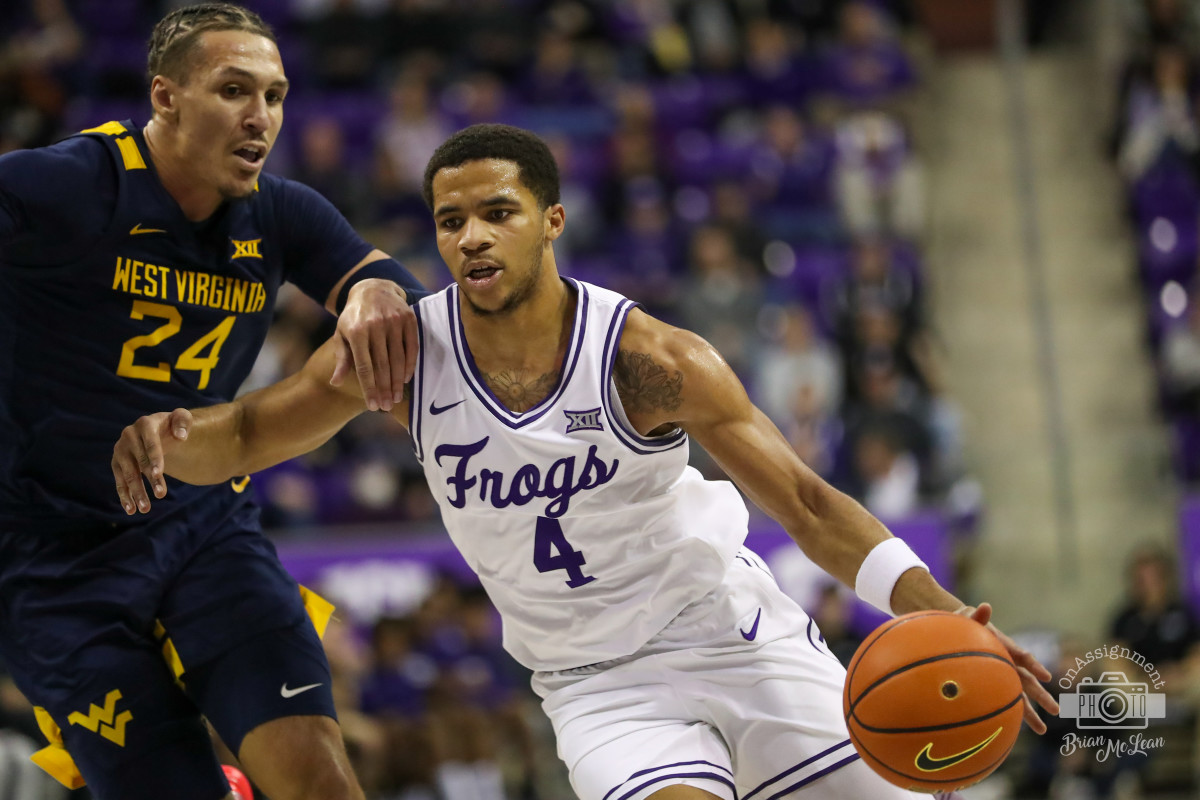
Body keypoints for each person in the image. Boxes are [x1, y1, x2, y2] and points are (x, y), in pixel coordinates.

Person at [113, 123, 1060, 800]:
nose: (471, 236)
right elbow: (244, 436)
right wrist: (143, 439)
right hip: (600, 685)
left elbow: (808, 506)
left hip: (731, 634)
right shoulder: (402, 357)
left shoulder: (651, 360)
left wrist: (942, 611)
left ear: (552, 220)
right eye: (449, 221)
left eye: (496, 212)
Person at [0, 4, 429, 799]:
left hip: (203, 531)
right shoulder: (65, 186)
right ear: (165, 98)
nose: (259, 117)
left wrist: (373, 288)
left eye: (273, 95)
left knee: (321, 782)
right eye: (234, 90)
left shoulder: (280, 212)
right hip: (49, 563)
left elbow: (391, 286)